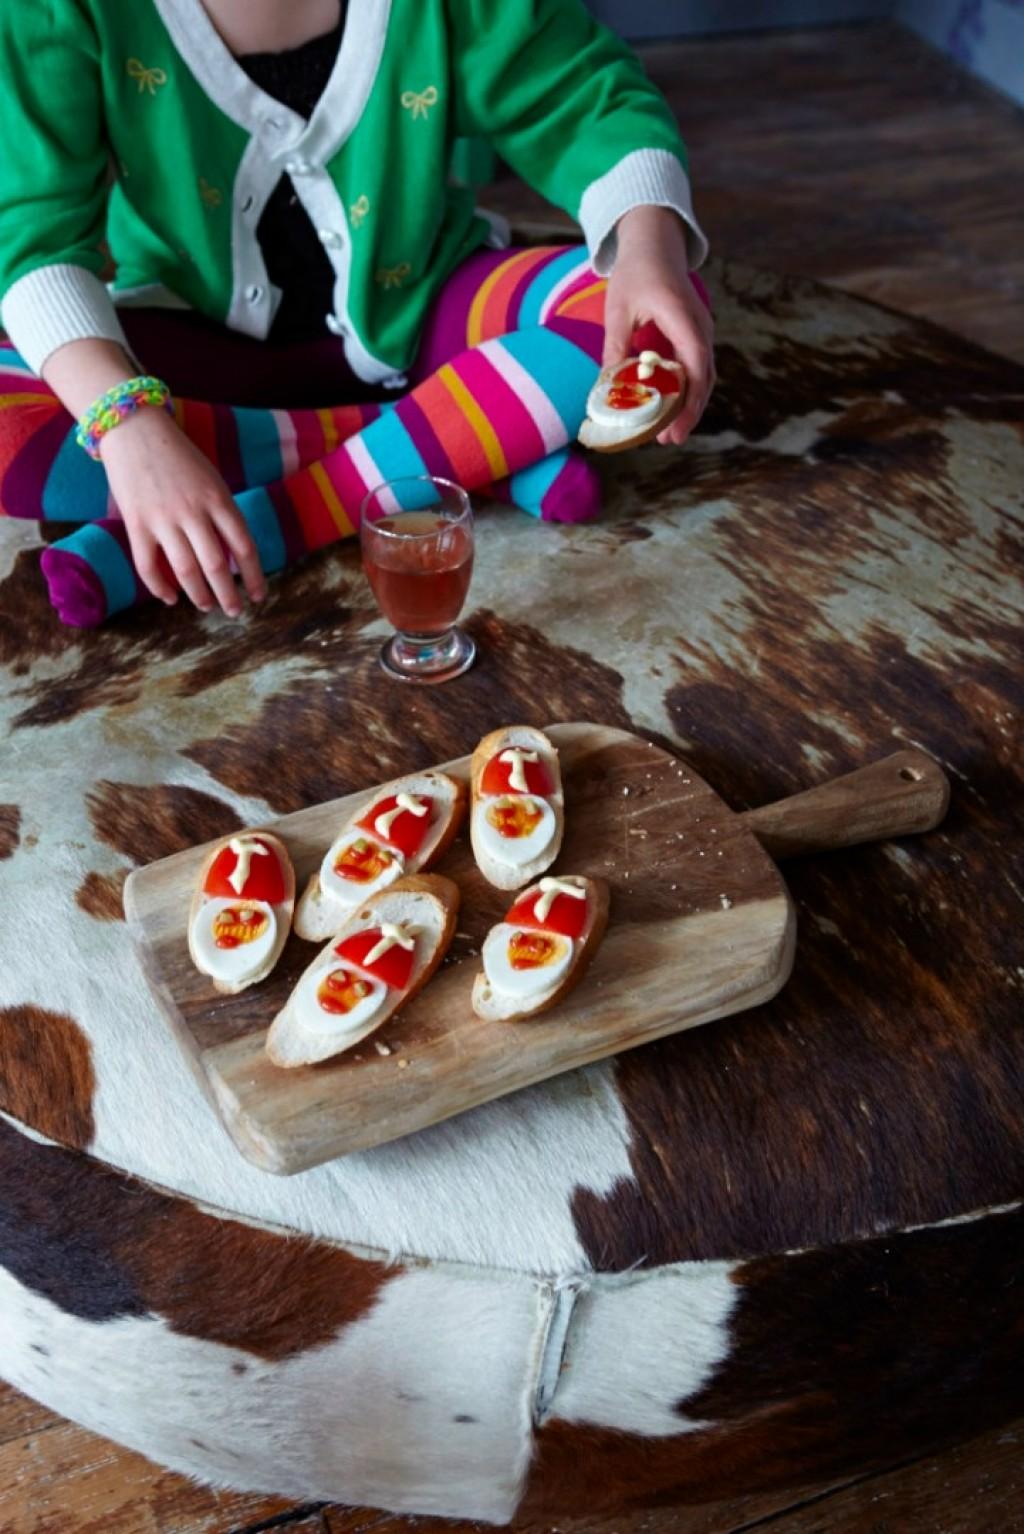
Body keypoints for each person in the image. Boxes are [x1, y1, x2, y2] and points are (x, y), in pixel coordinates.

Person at [0, 0, 713, 627]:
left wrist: (649, 245)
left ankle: (279, 517)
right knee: (18, 412)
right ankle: (473, 448)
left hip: (429, 316)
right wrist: (130, 429)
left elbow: (586, 96)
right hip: (189, 339)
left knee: (629, 315)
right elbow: (29, 242)